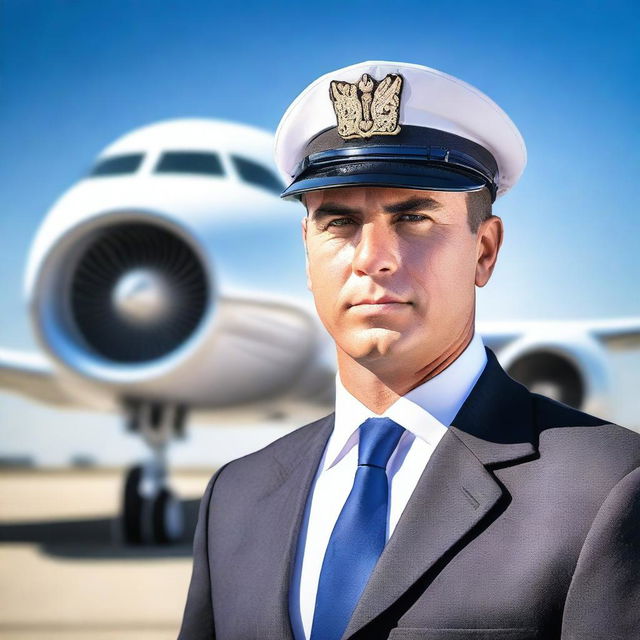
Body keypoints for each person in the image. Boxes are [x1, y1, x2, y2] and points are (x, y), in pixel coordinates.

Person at [177, 61, 640, 640]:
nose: (373, 257)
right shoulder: (235, 498)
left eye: (414, 217)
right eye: (339, 222)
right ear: (307, 250)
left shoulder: (610, 488)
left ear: (485, 251)